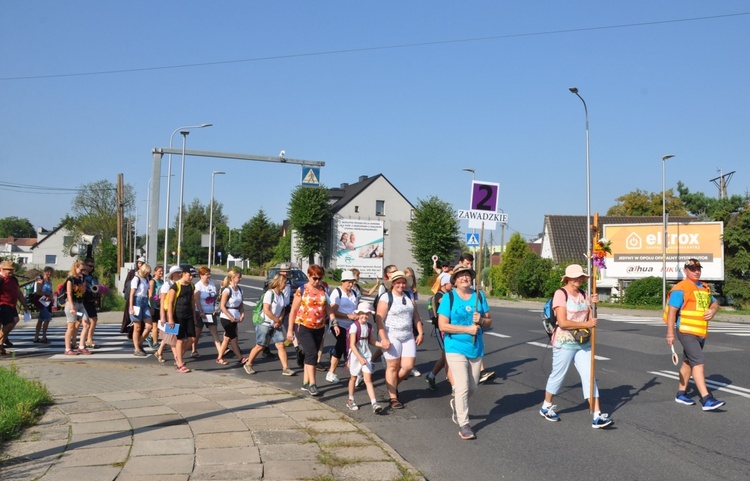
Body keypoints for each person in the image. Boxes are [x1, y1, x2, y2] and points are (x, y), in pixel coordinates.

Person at [539, 264, 613, 429]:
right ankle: (546, 405)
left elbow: (592, 318)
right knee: (558, 375)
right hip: (564, 342)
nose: (578, 280)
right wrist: (586, 323)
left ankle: (597, 415)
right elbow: (563, 322)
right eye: (575, 277)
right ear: (568, 279)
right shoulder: (560, 294)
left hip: (583, 342)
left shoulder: (584, 295)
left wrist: (595, 306)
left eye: (580, 277)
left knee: (589, 376)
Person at [437, 265, 491, 440]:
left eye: (467, 275)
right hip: (454, 346)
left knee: (473, 386)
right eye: (460, 276)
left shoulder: (479, 296)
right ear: (455, 280)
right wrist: (467, 329)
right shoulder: (449, 298)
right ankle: (464, 424)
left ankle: (457, 404)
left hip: (475, 347)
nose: (464, 278)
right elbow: (442, 325)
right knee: (461, 386)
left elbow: (489, 321)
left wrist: (482, 320)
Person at [665, 258, 725, 411]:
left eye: (698, 268)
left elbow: (715, 302)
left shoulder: (704, 287)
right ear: (686, 271)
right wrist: (670, 333)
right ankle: (706, 399)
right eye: (692, 269)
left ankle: (681, 393)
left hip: (700, 332)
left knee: (688, 362)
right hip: (686, 331)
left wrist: (713, 309)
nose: (696, 271)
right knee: (698, 361)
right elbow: (672, 311)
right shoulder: (681, 288)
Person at [375, 270, 424, 409]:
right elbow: (379, 320)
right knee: (393, 366)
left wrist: (420, 332)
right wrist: (383, 338)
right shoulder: (386, 297)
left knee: (408, 366)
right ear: (392, 284)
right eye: (398, 283)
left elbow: (416, 316)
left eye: (403, 282)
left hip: (408, 335)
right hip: (392, 335)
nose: (401, 285)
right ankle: (393, 398)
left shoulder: (409, 296)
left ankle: (393, 385)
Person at [286, 264, 335, 397]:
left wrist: (333, 322)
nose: (317, 281)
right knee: (312, 353)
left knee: (310, 355)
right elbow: (293, 311)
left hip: (319, 327)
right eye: (315, 278)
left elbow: (328, 307)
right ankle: (313, 385)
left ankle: (305, 382)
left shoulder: (324, 288)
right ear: (308, 275)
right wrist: (290, 331)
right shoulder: (301, 290)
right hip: (303, 326)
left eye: (320, 278)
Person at [243, 273, 294, 376]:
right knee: (260, 346)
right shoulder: (269, 294)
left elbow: (283, 308)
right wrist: (277, 320)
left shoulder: (282, 294)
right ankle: (248, 364)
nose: (286, 284)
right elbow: (266, 310)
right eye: (284, 282)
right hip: (265, 323)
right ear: (279, 283)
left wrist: (279, 319)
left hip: (276, 324)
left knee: (280, 345)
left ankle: (285, 368)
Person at [345, 301, 384, 413]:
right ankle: (350, 399)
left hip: (366, 355)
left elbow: (371, 341)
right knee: (353, 378)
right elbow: (352, 344)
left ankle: (374, 403)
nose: (364, 316)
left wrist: (382, 345)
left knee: (368, 379)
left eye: (367, 314)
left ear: (370, 315)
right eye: (362, 313)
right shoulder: (354, 327)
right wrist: (360, 358)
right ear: (358, 314)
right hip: (356, 356)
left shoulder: (369, 326)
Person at [327, 270, 360, 383]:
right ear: (343, 282)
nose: (351, 285)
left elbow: (355, 309)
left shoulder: (354, 293)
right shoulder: (337, 293)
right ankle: (332, 372)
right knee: (344, 346)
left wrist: (358, 315)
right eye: (349, 282)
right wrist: (347, 316)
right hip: (338, 324)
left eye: (352, 282)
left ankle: (353, 373)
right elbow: (332, 311)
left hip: (351, 326)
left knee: (347, 348)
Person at [165, 265, 200, 373]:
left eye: (192, 276)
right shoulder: (175, 286)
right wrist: (170, 318)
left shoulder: (191, 286)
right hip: (178, 315)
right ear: (183, 273)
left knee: (192, 338)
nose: (191, 277)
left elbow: (192, 302)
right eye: (189, 275)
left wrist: (194, 316)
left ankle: (178, 356)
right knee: (179, 340)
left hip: (188, 315)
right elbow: (170, 303)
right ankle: (180, 364)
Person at [425, 277, 454, 392]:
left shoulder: (448, 294)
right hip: (441, 329)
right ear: (444, 284)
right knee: (447, 356)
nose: (452, 285)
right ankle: (453, 384)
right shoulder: (440, 296)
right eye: (451, 283)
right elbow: (448, 306)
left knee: (445, 356)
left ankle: (431, 376)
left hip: (450, 329)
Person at [217, 268, 246, 365]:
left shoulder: (240, 290)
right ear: (232, 278)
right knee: (233, 338)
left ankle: (219, 357)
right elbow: (222, 306)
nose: (240, 279)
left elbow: (241, 304)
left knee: (226, 338)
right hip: (226, 317)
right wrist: (230, 317)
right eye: (238, 277)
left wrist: (242, 314)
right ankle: (240, 358)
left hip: (235, 316)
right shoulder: (227, 290)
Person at [0, 261, 29, 355]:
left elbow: (18, 292)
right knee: (9, 324)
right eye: (9, 270)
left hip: (11, 305)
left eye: (12, 270)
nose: (11, 272)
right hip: (2, 304)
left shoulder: (13, 279)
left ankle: (1, 346)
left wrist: (24, 304)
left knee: (14, 321)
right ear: (2, 269)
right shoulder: (1, 279)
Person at [63, 260, 92, 356]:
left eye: (84, 269)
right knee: (71, 327)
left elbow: (82, 292)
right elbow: (69, 294)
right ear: (75, 268)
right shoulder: (70, 279)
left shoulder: (82, 278)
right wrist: (72, 307)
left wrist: (83, 287)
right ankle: (67, 349)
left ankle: (81, 347)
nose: (83, 271)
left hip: (80, 304)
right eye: (81, 269)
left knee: (87, 323)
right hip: (72, 304)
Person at [193, 266, 223, 358]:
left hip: (211, 312)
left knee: (214, 332)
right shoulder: (198, 286)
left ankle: (220, 353)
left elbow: (215, 296)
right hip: (200, 312)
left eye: (209, 274)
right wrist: (201, 311)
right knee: (197, 332)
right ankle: (194, 350)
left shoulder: (211, 284)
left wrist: (221, 289)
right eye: (206, 274)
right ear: (201, 275)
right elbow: (196, 300)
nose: (208, 276)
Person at [155, 266, 181, 363]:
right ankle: (177, 358)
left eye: (180, 272)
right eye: (177, 272)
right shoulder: (167, 285)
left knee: (169, 334)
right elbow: (162, 303)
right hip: (167, 312)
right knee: (172, 335)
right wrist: (162, 316)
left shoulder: (179, 284)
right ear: (172, 274)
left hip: (175, 311)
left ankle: (159, 352)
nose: (180, 274)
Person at [128, 263, 153, 356]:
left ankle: (138, 343)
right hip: (136, 302)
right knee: (137, 327)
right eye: (146, 272)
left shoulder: (146, 279)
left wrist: (151, 305)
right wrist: (131, 307)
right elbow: (132, 294)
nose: (147, 274)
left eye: (148, 273)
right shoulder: (136, 279)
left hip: (144, 302)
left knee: (149, 325)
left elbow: (148, 292)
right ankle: (137, 348)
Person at [121, 257, 144, 336]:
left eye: (142, 263)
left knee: (140, 319)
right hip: (131, 297)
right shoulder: (132, 272)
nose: (140, 265)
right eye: (139, 263)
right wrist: (126, 294)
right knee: (130, 316)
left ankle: (137, 333)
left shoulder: (146, 274)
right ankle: (129, 331)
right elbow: (127, 283)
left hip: (142, 299)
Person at [83, 258, 102, 349]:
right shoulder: (81, 277)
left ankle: (89, 339)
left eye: (92, 266)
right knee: (82, 322)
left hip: (91, 300)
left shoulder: (93, 277)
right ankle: (77, 340)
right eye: (90, 266)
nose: (91, 268)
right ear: (85, 266)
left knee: (93, 319)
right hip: (82, 301)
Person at [32, 266, 54, 344]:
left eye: (51, 272)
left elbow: (51, 291)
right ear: (44, 272)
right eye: (47, 271)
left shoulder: (50, 281)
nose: (49, 273)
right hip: (40, 301)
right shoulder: (41, 280)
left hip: (46, 302)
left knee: (41, 319)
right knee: (47, 318)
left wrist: (50, 296)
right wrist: (47, 294)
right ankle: (44, 337)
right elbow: (38, 292)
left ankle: (36, 337)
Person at [147, 265, 164, 351]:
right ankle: (155, 343)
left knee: (159, 326)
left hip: (160, 306)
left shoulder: (162, 282)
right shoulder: (152, 282)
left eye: (162, 271)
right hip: (154, 305)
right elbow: (150, 294)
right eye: (159, 271)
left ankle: (150, 337)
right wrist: (152, 307)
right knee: (155, 325)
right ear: (155, 272)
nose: (161, 272)